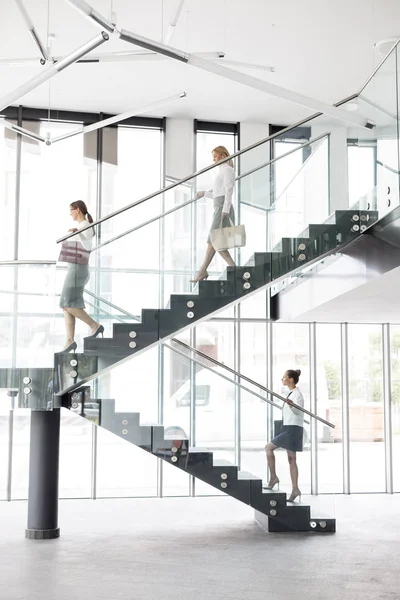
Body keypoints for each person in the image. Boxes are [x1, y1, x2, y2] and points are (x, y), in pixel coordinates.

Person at [59, 200, 103, 352]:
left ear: (77, 210)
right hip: (75, 269)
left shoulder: (85, 225)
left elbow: (87, 246)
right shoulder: (80, 227)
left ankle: (94, 325)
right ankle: (70, 341)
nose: (70, 213)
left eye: (71, 210)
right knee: (68, 305)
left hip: (78, 269)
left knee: (66, 303)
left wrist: (76, 234)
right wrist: (74, 233)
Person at [191, 145, 236, 283]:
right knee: (217, 242)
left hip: (222, 208)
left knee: (213, 240)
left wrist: (225, 210)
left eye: (215, 156)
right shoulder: (221, 171)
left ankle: (202, 270)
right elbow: (217, 194)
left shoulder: (227, 170)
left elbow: (229, 190)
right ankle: (234, 268)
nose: (213, 159)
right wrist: (204, 193)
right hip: (218, 207)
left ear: (223, 156)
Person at [264, 369, 304, 502]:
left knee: (269, 448)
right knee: (291, 459)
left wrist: (292, 406)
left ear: (291, 379)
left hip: (293, 429)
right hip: (288, 427)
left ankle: (274, 478)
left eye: (284, 377)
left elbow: (299, 412)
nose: (282, 379)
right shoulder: (290, 393)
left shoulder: (297, 395)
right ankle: (295, 489)